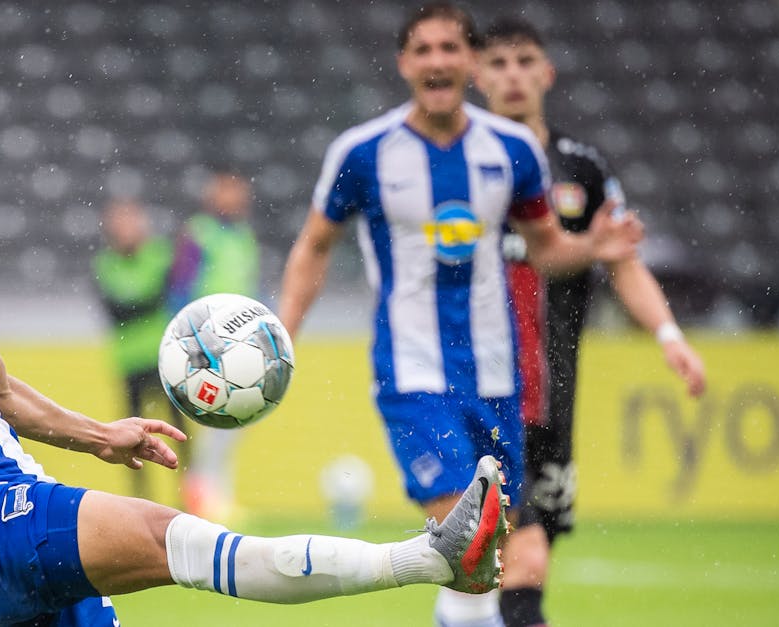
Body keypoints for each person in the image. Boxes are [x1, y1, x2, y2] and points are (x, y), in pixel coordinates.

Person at [0, 67, 511, 627]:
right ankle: (430, 555)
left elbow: (2, 394)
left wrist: (101, 434)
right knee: (171, 538)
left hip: (16, 495)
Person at [274, 4, 646, 626]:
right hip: (414, 373)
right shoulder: (364, 153)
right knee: (469, 532)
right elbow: (315, 244)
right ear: (404, 64)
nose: (438, 61)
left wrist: (594, 249)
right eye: (423, 50)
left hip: (500, 378)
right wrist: (283, 334)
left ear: (470, 62)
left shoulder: (513, 151)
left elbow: (548, 249)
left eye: (450, 48)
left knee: (493, 554)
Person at [475, 17, 708, 627]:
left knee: (523, 562)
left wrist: (668, 335)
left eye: (525, 61)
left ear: (547, 73)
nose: (513, 75)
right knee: (505, 561)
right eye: (497, 63)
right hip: (476, 392)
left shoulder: (581, 167)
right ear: (477, 76)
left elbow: (622, 261)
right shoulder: (459, 167)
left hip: (552, 396)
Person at [164, 171, 261, 523]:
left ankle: (220, 494)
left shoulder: (243, 235)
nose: (237, 197)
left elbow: (249, 285)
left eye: (240, 190)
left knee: (236, 418)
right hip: (207, 344)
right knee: (213, 419)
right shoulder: (199, 233)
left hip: (241, 344)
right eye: (229, 190)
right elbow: (180, 287)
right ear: (214, 193)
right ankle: (203, 495)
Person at [90, 196, 175, 502]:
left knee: (181, 433)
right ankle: (142, 501)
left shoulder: (158, 254)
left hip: (164, 358)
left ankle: (188, 497)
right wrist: (143, 300)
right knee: (132, 438)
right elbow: (118, 309)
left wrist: (135, 302)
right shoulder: (106, 262)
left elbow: (155, 297)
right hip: (129, 361)